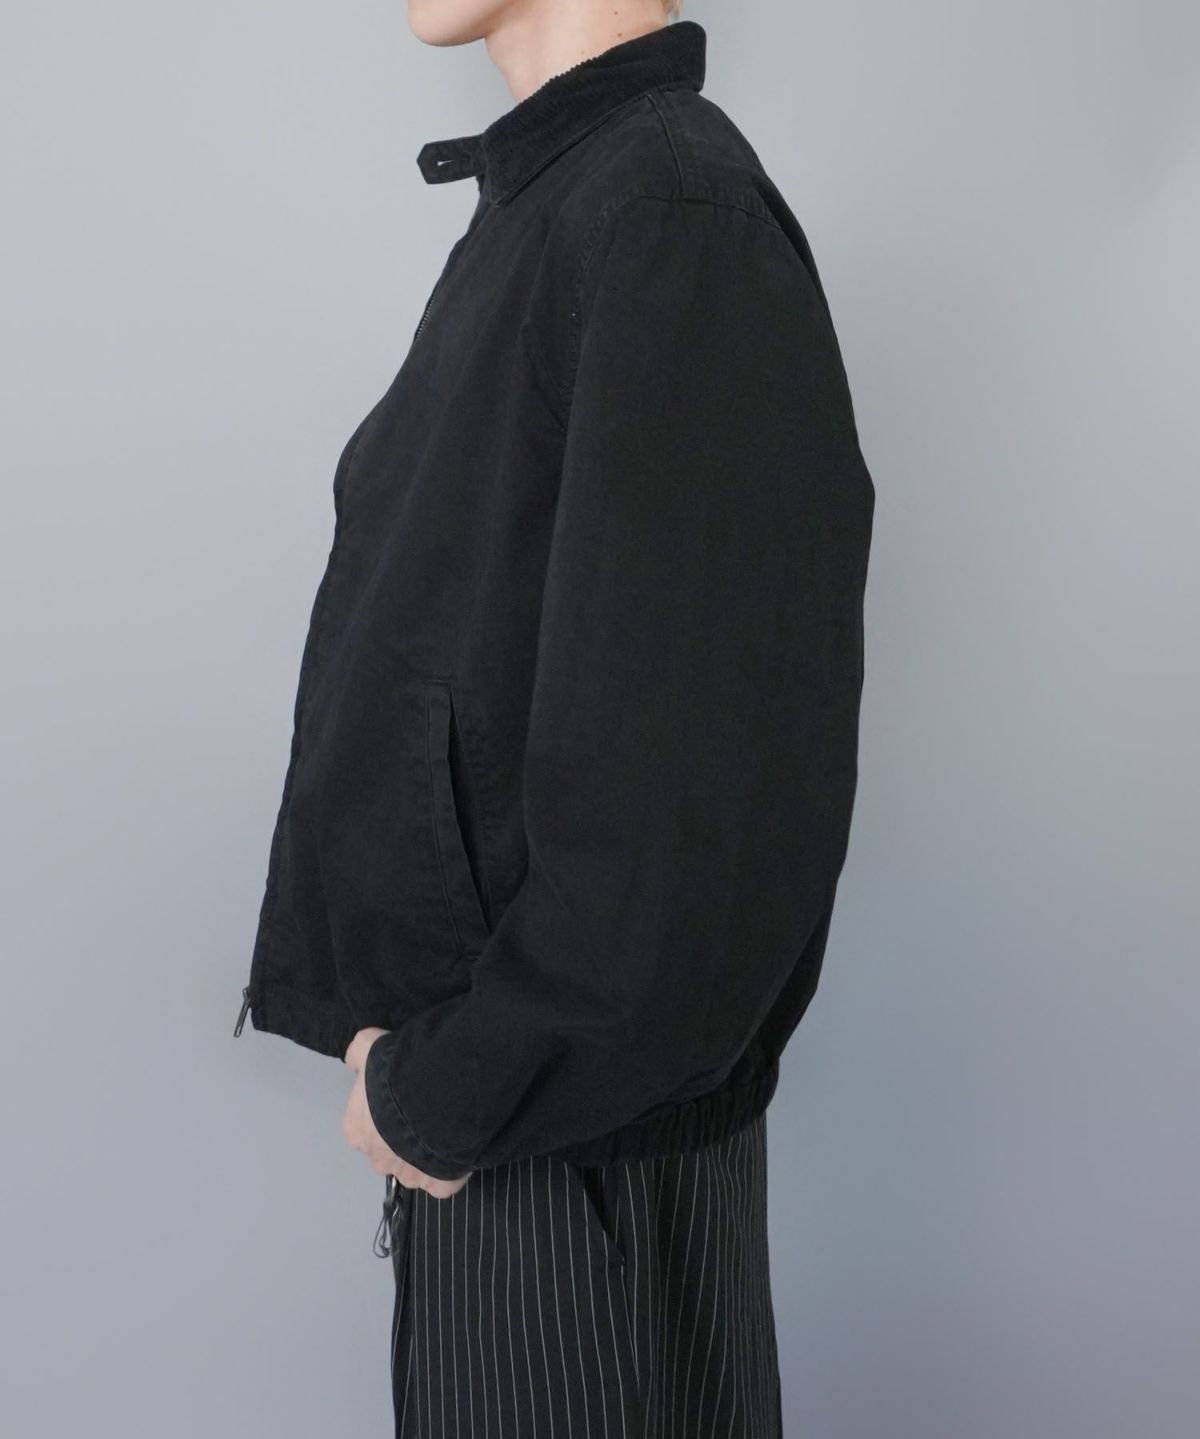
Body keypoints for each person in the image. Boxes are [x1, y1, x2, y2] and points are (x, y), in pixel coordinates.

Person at [236, 3, 874, 1434]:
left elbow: (695, 811)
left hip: (571, 1164)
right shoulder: (575, 201)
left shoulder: (667, 215)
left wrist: (452, 1091)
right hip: (513, 1136)